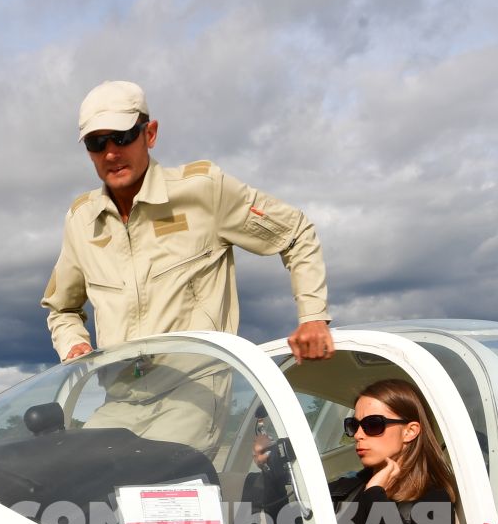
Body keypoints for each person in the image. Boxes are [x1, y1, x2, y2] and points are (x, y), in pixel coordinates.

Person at [41, 80, 333, 364]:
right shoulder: (81, 220)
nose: (111, 153)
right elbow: (62, 308)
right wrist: (74, 345)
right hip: (117, 399)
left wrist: (313, 317)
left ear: (150, 134)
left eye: (122, 136)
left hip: (198, 394)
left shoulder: (205, 190)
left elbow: (296, 233)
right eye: (96, 143)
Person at [332, 379, 458, 524]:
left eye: (372, 424)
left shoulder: (434, 497)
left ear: (410, 431)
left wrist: (375, 493)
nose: (358, 435)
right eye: (354, 425)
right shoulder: (346, 489)